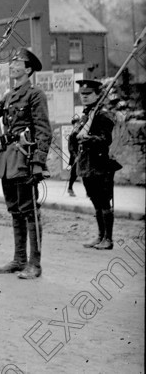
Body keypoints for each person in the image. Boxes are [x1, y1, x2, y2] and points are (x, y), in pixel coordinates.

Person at [0, 48, 51, 280]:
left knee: (30, 211)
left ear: (28, 69)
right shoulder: (11, 95)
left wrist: (38, 162)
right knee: (15, 210)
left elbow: (43, 131)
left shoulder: (35, 95)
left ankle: (35, 263)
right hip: (9, 158)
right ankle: (19, 259)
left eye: (17, 62)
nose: (12, 65)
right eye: (11, 62)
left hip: (25, 158)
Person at [74, 79, 118, 250]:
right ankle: (100, 236)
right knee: (95, 201)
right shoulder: (86, 115)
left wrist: (89, 138)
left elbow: (106, 139)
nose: (84, 97)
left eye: (88, 94)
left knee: (105, 202)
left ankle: (108, 239)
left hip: (100, 164)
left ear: (98, 95)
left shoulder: (102, 115)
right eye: (82, 94)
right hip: (87, 165)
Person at [66, 114, 81, 197]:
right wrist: (75, 156)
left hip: (83, 157)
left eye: (78, 123)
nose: (77, 125)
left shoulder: (82, 133)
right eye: (75, 124)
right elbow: (70, 148)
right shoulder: (72, 135)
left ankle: (89, 191)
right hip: (75, 158)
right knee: (74, 174)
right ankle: (70, 188)